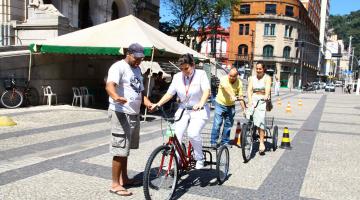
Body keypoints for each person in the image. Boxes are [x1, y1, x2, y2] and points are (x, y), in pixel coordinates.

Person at [105, 43, 153, 196]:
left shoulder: (138, 69)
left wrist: (148, 103)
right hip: (120, 112)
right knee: (120, 149)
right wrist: (116, 96)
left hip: (133, 113)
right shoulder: (118, 67)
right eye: (136, 58)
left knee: (126, 149)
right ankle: (115, 184)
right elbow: (109, 85)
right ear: (128, 54)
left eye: (141, 58)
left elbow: (140, 91)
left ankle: (124, 178)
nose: (139, 61)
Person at [150, 53, 211, 169]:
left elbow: (207, 91)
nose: (184, 71)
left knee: (193, 133)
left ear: (193, 65)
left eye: (186, 68)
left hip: (199, 110)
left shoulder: (201, 74)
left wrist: (200, 103)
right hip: (183, 109)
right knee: (175, 136)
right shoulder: (177, 77)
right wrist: (158, 104)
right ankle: (177, 161)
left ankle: (199, 157)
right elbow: (170, 93)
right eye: (182, 69)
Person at [210, 68, 246, 147]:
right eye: (230, 75)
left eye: (233, 76)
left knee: (228, 125)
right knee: (217, 124)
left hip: (230, 106)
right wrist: (232, 95)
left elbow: (240, 97)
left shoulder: (239, 83)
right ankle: (213, 142)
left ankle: (225, 142)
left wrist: (244, 109)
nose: (231, 77)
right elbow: (227, 88)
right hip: (220, 104)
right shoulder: (223, 79)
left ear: (237, 76)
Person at [247, 62, 272, 154]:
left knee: (261, 121)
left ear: (263, 69)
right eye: (257, 68)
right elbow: (249, 90)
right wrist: (249, 100)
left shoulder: (267, 78)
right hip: (253, 98)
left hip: (262, 99)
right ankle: (249, 130)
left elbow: (268, 88)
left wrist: (266, 96)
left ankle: (261, 142)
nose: (258, 70)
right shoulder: (252, 78)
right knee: (249, 116)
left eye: (260, 69)